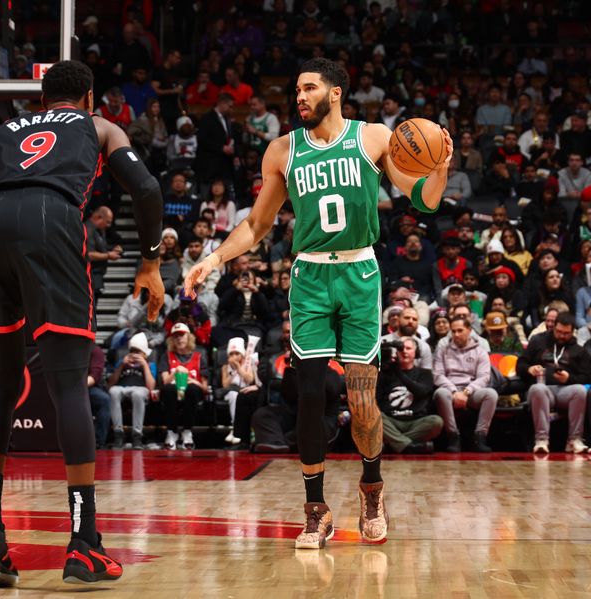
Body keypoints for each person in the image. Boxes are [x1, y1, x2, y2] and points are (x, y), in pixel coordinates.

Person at [185, 58, 452, 546]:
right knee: (309, 394)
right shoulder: (282, 150)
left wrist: (439, 168)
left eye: (308, 88)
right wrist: (214, 258)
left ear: (335, 93)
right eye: (296, 89)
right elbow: (258, 224)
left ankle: (372, 488)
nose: (299, 96)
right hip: (309, 273)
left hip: (359, 271)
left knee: (361, 396)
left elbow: (424, 201)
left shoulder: (372, 137)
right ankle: (317, 509)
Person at [0, 61, 164, 586]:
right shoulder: (100, 125)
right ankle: (85, 543)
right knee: (67, 387)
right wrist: (149, 263)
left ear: (40, 99)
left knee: (1, 387)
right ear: (88, 96)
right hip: (50, 219)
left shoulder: (2, 134)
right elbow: (146, 190)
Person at [517, 312, 590, 454]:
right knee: (539, 389)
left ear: (573, 331)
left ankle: (574, 439)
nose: (562, 336)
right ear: (553, 328)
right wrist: (529, 369)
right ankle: (541, 440)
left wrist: (569, 379)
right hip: (540, 389)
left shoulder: (579, 351)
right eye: (559, 332)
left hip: (564, 391)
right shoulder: (538, 341)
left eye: (566, 333)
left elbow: (586, 377)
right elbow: (520, 364)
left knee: (580, 390)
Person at [433, 316, 497, 453]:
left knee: (491, 394)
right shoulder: (442, 350)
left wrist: (467, 391)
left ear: (469, 330)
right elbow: (437, 375)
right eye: (453, 331)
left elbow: (484, 377)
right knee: (440, 393)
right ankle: (453, 436)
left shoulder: (480, 351)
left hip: (471, 391)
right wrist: (454, 391)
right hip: (450, 390)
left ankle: (480, 436)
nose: (456, 334)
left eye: (460, 330)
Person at [377, 337, 442, 454]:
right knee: (374, 415)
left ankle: (393, 445)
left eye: (408, 348)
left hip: (415, 421)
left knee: (436, 422)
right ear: (395, 352)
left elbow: (421, 391)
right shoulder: (385, 373)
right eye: (401, 348)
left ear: (415, 352)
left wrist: (399, 373)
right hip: (391, 421)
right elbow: (378, 400)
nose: (404, 351)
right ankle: (408, 446)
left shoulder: (425, 373)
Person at [158, 323, 208, 450]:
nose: (179, 339)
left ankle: (187, 431)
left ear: (189, 337)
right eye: (175, 337)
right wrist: (175, 372)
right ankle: (171, 432)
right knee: (168, 389)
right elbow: (165, 382)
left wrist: (192, 380)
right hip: (172, 390)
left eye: (182, 335)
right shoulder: (166, 356)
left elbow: (205, 388)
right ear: (171, 340)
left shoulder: (199, 357)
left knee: (192, 389)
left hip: (193, 390)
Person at [107, 332, 155, 450]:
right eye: (133, 351)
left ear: (144, 353)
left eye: (138, 352)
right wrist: (122, 365)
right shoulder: (122, 362)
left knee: (137, 394)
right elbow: (110, 384)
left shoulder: (149, 364)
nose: (134, 354)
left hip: (140, 388)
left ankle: (137, 435)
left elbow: (151, 386)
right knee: (113, 391)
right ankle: (118, 434)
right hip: (121, 387)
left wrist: (144, 365)